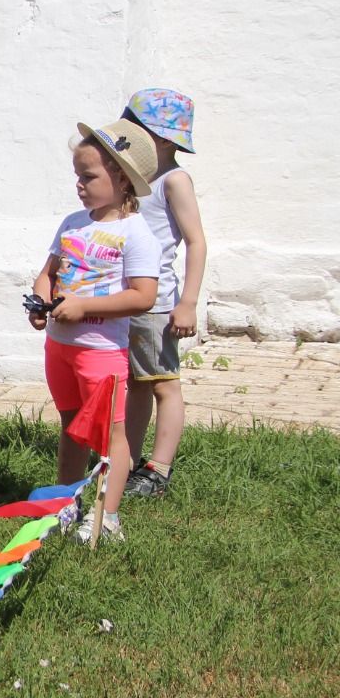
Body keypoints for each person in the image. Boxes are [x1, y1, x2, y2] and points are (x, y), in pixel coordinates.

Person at [28, 120, 160, 543]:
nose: (79, 186)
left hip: (100, 352)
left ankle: (107, 515)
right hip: (60, 348)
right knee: (70, 425)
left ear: (122, 179)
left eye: (89, 177)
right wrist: (40, 303)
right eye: (77, 177)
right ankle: (67, 503)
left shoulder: (137, 234)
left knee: (110, 436)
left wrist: (84, 307)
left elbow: (143, 296)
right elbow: (48, 274)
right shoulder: (72, 223)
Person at [118, 89, 206, 498]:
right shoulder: (131, 176)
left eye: (140, 131)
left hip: (158, 304)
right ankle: (127, 459)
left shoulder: (174, 180)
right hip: (128, 297)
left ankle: (159, 468)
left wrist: (187, 301)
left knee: (163, 383)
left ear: (167, 140)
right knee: (137, 382)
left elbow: (196, 241)